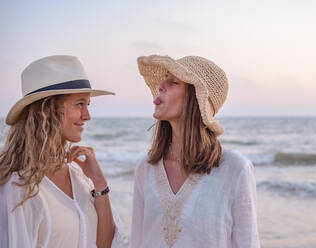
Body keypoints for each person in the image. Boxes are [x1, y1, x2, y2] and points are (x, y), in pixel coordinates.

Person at [131, 55, 260, 247]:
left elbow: (248, 243)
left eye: (174, 82)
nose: (160, 85)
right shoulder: (146, 168)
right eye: (164, 78)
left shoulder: (235, 169)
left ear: (195, 99)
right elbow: (137, 242)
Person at [0, 55, 127, 248]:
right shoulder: (18, 185)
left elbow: (104, 244)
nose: (87, 116)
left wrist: (99, 183)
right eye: (79, 104)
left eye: (88, 105)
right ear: (48, 109)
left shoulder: (79, 176)